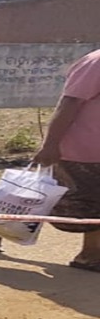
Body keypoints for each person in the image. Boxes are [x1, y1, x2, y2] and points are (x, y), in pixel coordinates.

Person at [32, 47, 100, 271]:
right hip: (86, 151)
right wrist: (50, 145)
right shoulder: (96, 62)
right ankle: (90, 254)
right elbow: (69, 103)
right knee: (85, 204)